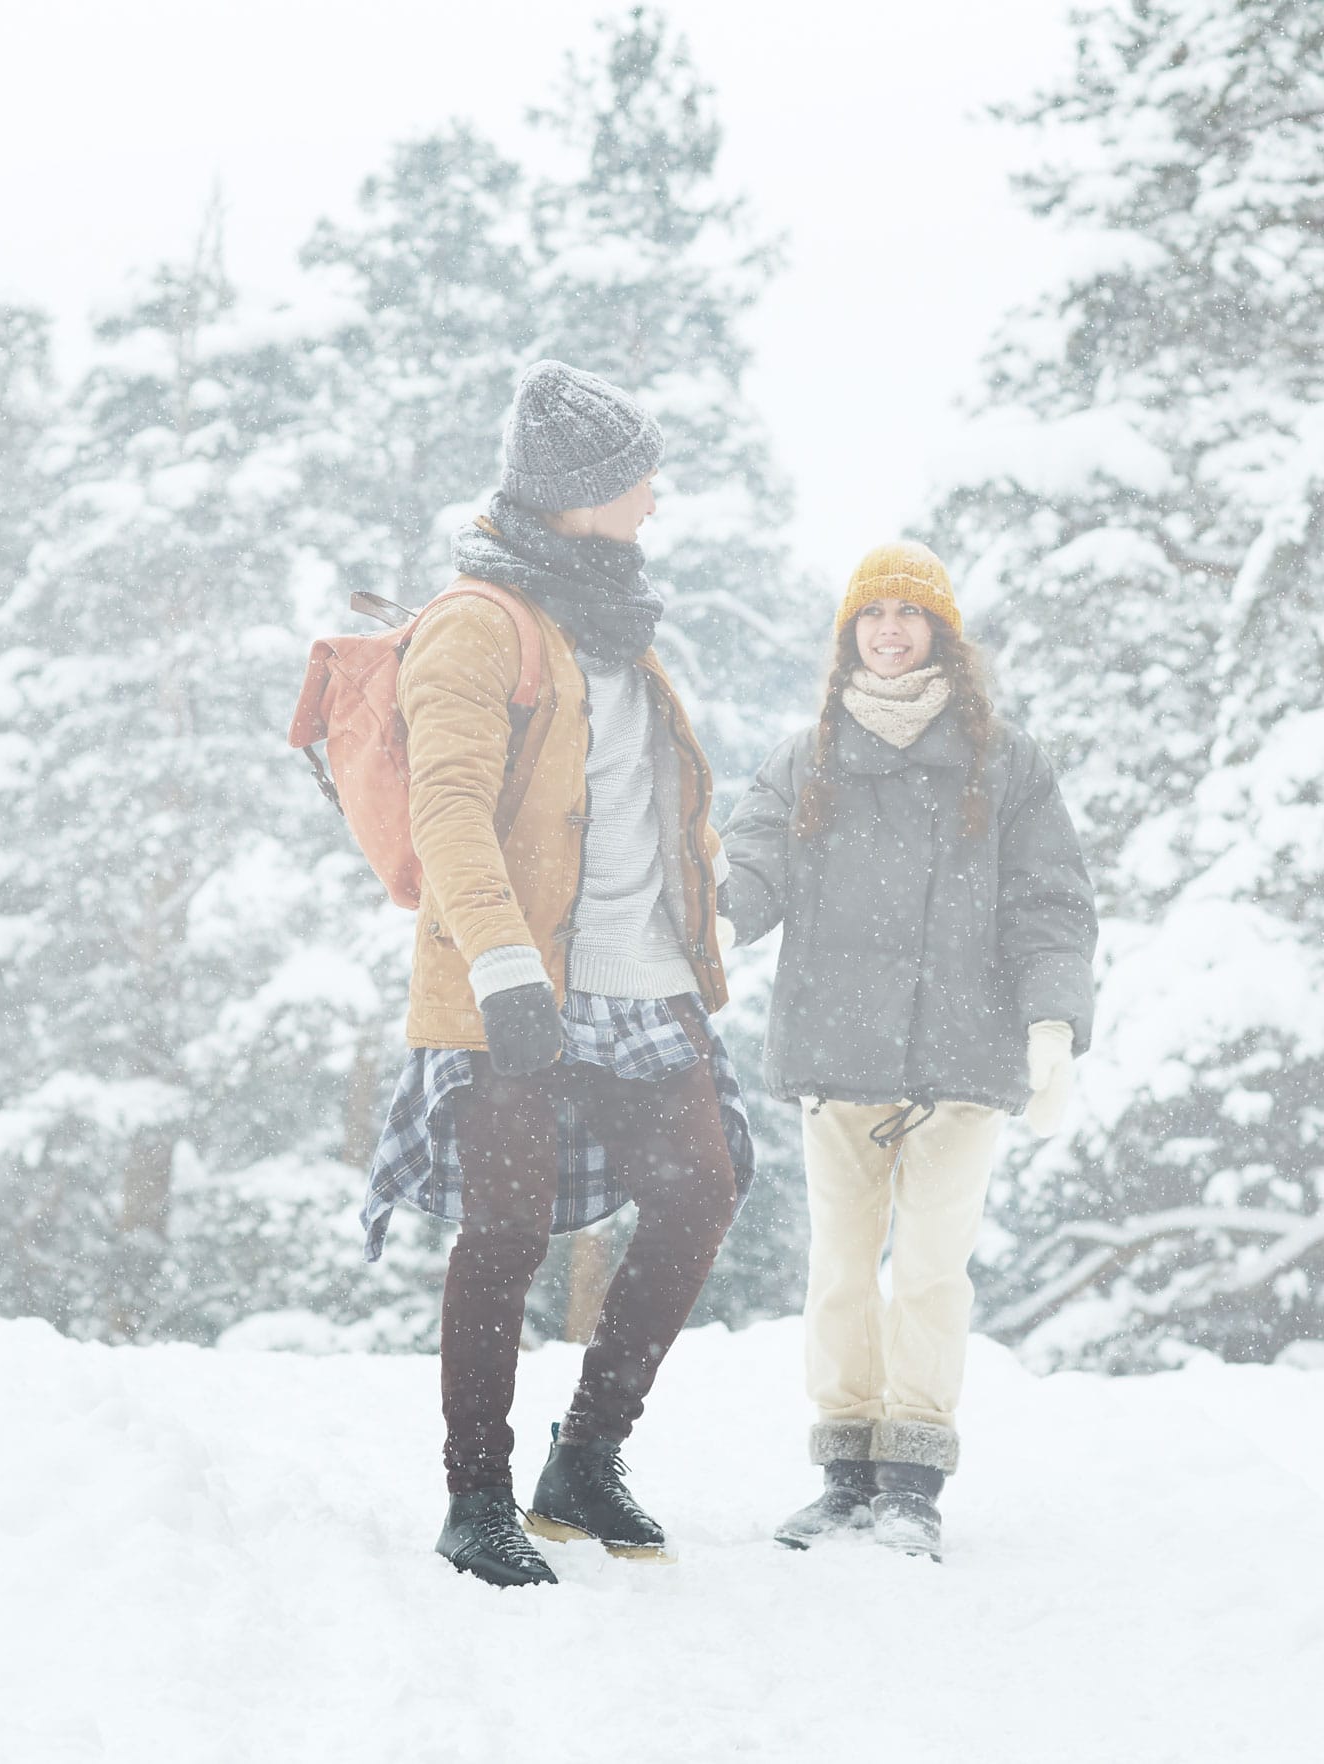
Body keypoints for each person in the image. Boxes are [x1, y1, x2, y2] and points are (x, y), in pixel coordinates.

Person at [361, 360, 754, 1588]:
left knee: (700, 1186)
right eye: (639, 475)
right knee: (505, 1229)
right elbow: (452, 812)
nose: (655, 494)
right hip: (512, 982)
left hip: (643, 985)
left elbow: (648, 812)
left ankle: (584, 1456)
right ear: (581, 491)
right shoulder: (477, 623)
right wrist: (500, 970)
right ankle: (474, 1492)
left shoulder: (618, 625)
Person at [720, 541, 1097, 1560]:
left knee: (929, 1273)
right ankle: (842, 1475)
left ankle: (911, 1487)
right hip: (837, 1056)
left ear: (941, 634)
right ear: (848, 636)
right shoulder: (806, 759)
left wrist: (1051, 1026)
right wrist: (719, 922)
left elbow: (1048, 904)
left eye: (908, 613)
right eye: (870, 614)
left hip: (960, 1065)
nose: (888, 630)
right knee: (840, 1270)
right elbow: (752, 857)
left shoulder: (1004, 762)